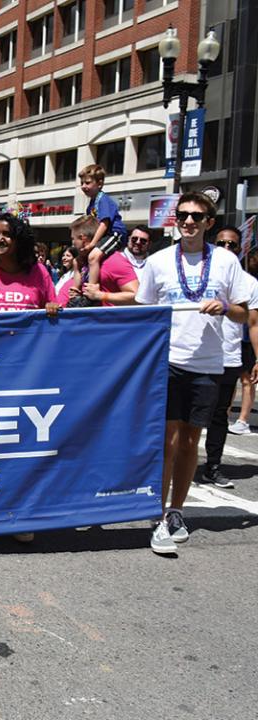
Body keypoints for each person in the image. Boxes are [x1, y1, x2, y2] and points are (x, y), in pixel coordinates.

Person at [135, 192, 251, 555]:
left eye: (197, 217)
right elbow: (143, 313)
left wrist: (227, 307)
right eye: (183, 215)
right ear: (175, 220)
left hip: (208, 364)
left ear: (208, 223)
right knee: (167, 440)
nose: (188, 222)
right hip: (166, 360)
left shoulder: (227, 262)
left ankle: (176, 511)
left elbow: (245, 314)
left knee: (189, 441)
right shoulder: (157, 261)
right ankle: (157, 514)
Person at [0, 213, 60, 546]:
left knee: (23, 450)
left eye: (6, 233)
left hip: (29, 376)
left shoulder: (39, 274)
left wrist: (52, 305)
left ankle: (20, 516)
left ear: (19, 239)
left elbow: (56, 311)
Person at [199, 226, 258, 489]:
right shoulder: (200, 274)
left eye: (231, 244)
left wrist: (257, 358)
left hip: (229, 358)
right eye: (221, 243)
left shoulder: (250, 283)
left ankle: (212, 465)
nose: (226, 248)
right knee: (185, 416)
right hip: (194, 357)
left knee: (219, 416)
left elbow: (254, 323)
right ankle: (177, 463)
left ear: (240, 248)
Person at [59, 216, 138, 308]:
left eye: (73, 239)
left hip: (110, 320)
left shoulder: (113, 261)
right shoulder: (82, 262)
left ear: (82, 238)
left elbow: (137, 296)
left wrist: (101, 295)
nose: (73, 243)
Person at [78, 164, 127, 287]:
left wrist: (93, 243)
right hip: (103, 236)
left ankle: (92, 288)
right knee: (78, 260)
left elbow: (104, 224)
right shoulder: (91, 203)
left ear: (99, 184)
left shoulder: (103, 200)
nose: (84, 186)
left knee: (93, 256)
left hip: (114, 234)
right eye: (82, 183)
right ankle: (77, 287)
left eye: (88, 183)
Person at [230, 245, 258, 435]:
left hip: (247, 338)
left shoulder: (251, 282)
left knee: (247, 380)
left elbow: (254, 321)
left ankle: (243, 420)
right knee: (229, 381)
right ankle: (225, 414)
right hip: (230, 337)